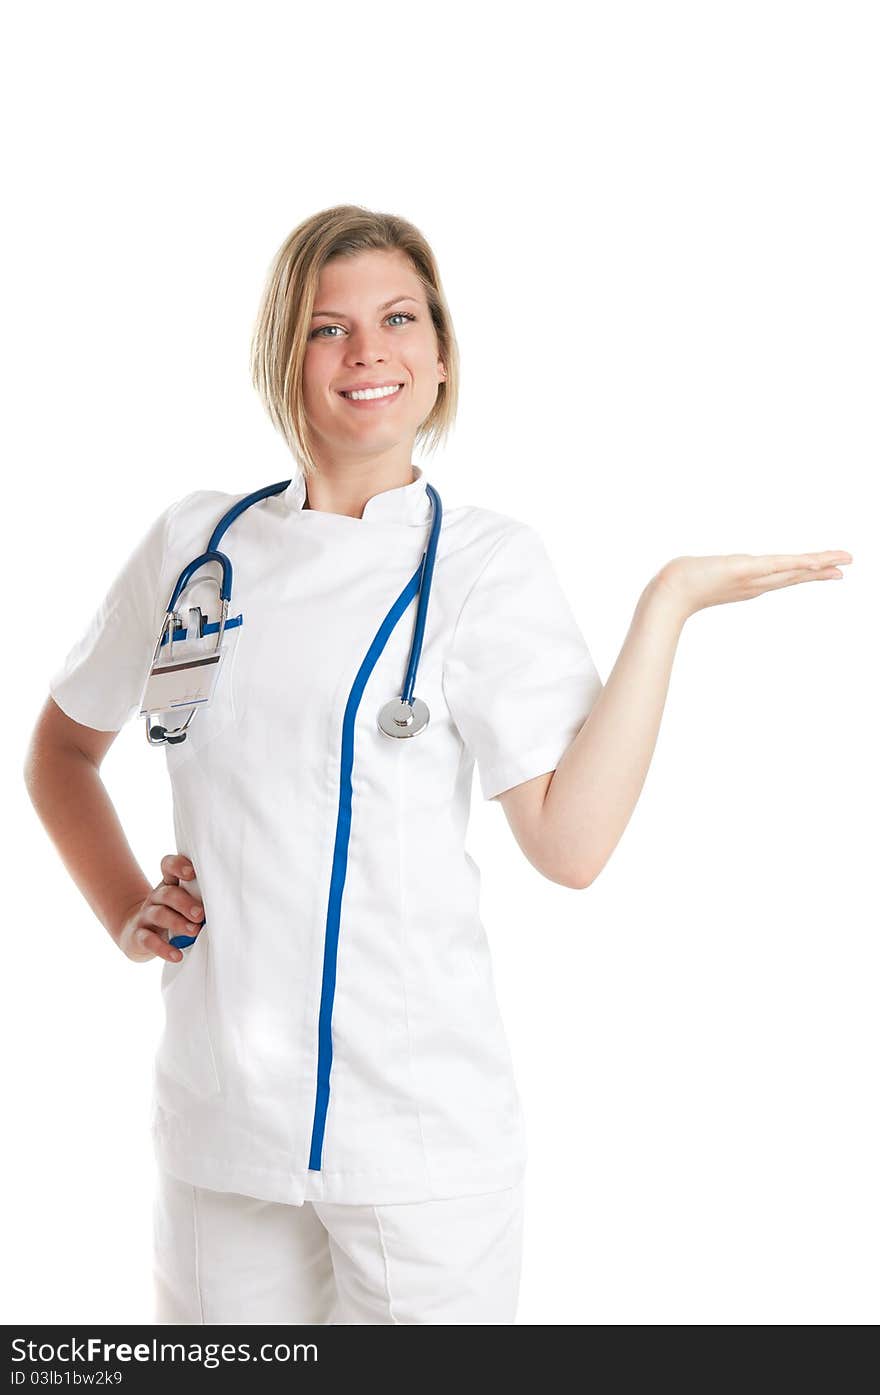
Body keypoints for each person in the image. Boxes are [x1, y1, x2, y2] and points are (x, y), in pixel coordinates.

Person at [23, 204, 852, 1326]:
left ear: (442, 353)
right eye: (329, 328)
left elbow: (570, 845)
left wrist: (666, 608)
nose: (369, 353)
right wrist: (126, 908)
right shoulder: (195, 545)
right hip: (219, 1125)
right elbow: (63, 750)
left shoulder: (483, 564)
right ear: (284, 354)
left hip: (415, 1145)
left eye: (399, 319)